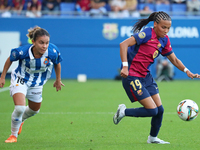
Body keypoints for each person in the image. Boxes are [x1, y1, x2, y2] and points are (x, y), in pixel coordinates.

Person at [113, 11, 200, 144]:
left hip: (146, 76)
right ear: (155, 24)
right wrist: (125, 66)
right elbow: (123, 44)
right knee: (152, 110)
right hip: (132, 75)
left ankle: (152, 138)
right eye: (163, 27)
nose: (166, 31)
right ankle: (123, 111)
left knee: (160, 110)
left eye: (168, 28)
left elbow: (174, 59)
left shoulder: (164, 40)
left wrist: (187, 71)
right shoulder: (147, 34)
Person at [0, 26, 64, 143]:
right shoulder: (22, 51)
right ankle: (13, 136)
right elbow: (10, 59)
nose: (44, 46)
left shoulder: (52, 51)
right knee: (19, 108)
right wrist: (3, 76)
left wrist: (58, 80)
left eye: (46, 43)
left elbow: (57, 64)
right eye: (41, 43)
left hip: (37, 83)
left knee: (34, 110)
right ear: (33, 42)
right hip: (21, 79)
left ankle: (20, 121)